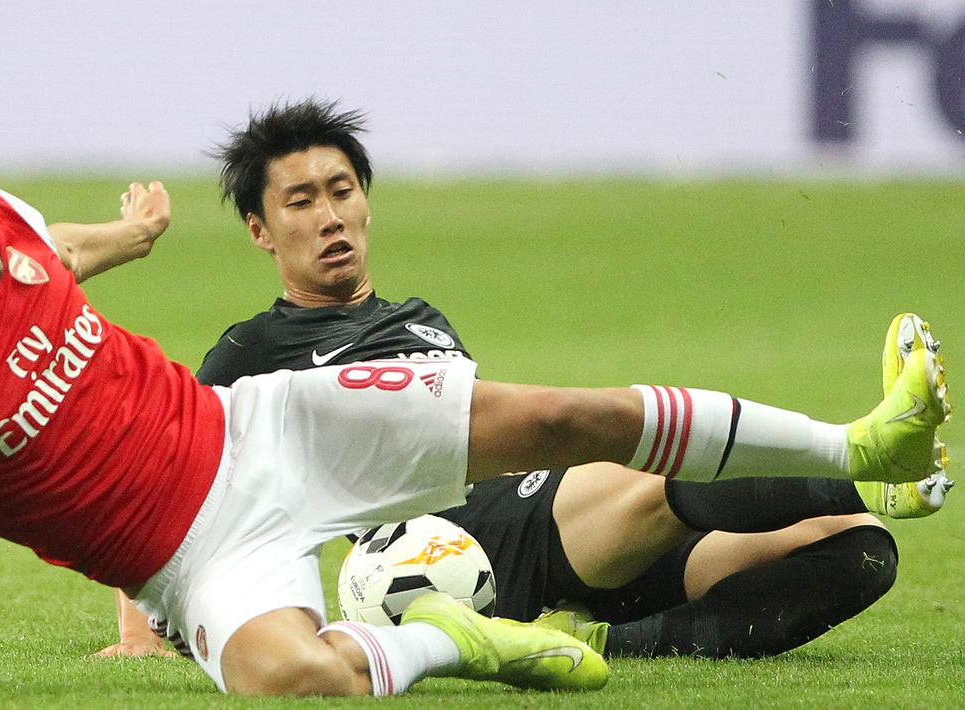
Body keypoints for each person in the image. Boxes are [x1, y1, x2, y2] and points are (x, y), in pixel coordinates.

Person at [0, 112, 949, 702]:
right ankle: (444, 641)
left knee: (555, 414)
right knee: (284, 678)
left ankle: (862, 438)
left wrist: (132, 235)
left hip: (269, 428)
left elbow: (44, 252)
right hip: (192, 555)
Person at [96, 99, 953, 661]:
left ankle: (596, 642)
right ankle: (876, 467)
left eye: (342, 190)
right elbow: (168, 475)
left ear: (365, 199)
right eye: (299, 202)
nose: (329, 217)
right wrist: (140, 628)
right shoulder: (255, 350)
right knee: (657, 475)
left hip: (552, 523)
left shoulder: (418, 317)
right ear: (259, 230)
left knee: (853, 554)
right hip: (464, 544)